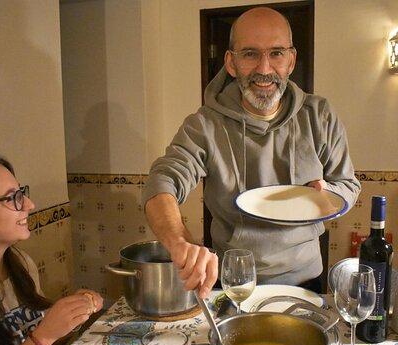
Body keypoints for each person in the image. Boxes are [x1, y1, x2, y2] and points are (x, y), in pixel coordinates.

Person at [142, 7, 360, 298]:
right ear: (231, 63)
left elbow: (348, 184)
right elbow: (162, 181)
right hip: (235, 282)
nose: (265, 69)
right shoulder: (205, 125)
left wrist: (329, 193)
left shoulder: (319, 116)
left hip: (307, 280)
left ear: (291, 60)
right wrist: (179, 241)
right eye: (250, 54)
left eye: (276, 53)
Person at [0, 156, 104, 345]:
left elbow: (39, 341)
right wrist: (45, 335)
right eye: (13, 197)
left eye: (22, 193)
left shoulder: (21, 263)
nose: (30, 204)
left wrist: (71, 315)